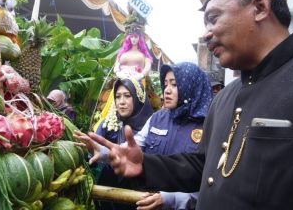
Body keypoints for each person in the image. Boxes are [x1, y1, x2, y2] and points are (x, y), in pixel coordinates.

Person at [88, 0, 293, 209]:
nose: (207, 33)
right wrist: (145, 165)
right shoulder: (224, 98)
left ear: (260, 7)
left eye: (213, 18)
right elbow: (203, 166)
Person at [76, 62, 212, 210]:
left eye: (174, 84)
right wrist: (103, 152)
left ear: (191, 87)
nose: (167, 90)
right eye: (165, 84)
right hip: (144, 203)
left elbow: (211, 182)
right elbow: (129, 151)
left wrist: (173, 199)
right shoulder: (157, 118)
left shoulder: (209, 125)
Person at [95, 77, 154, 210]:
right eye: (118, 96)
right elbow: (95, 149)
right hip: (106, 195)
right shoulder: (107, 125)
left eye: (127, 96)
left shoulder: (153, 126)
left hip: (140, 199)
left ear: (138, 98)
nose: (121, 102)